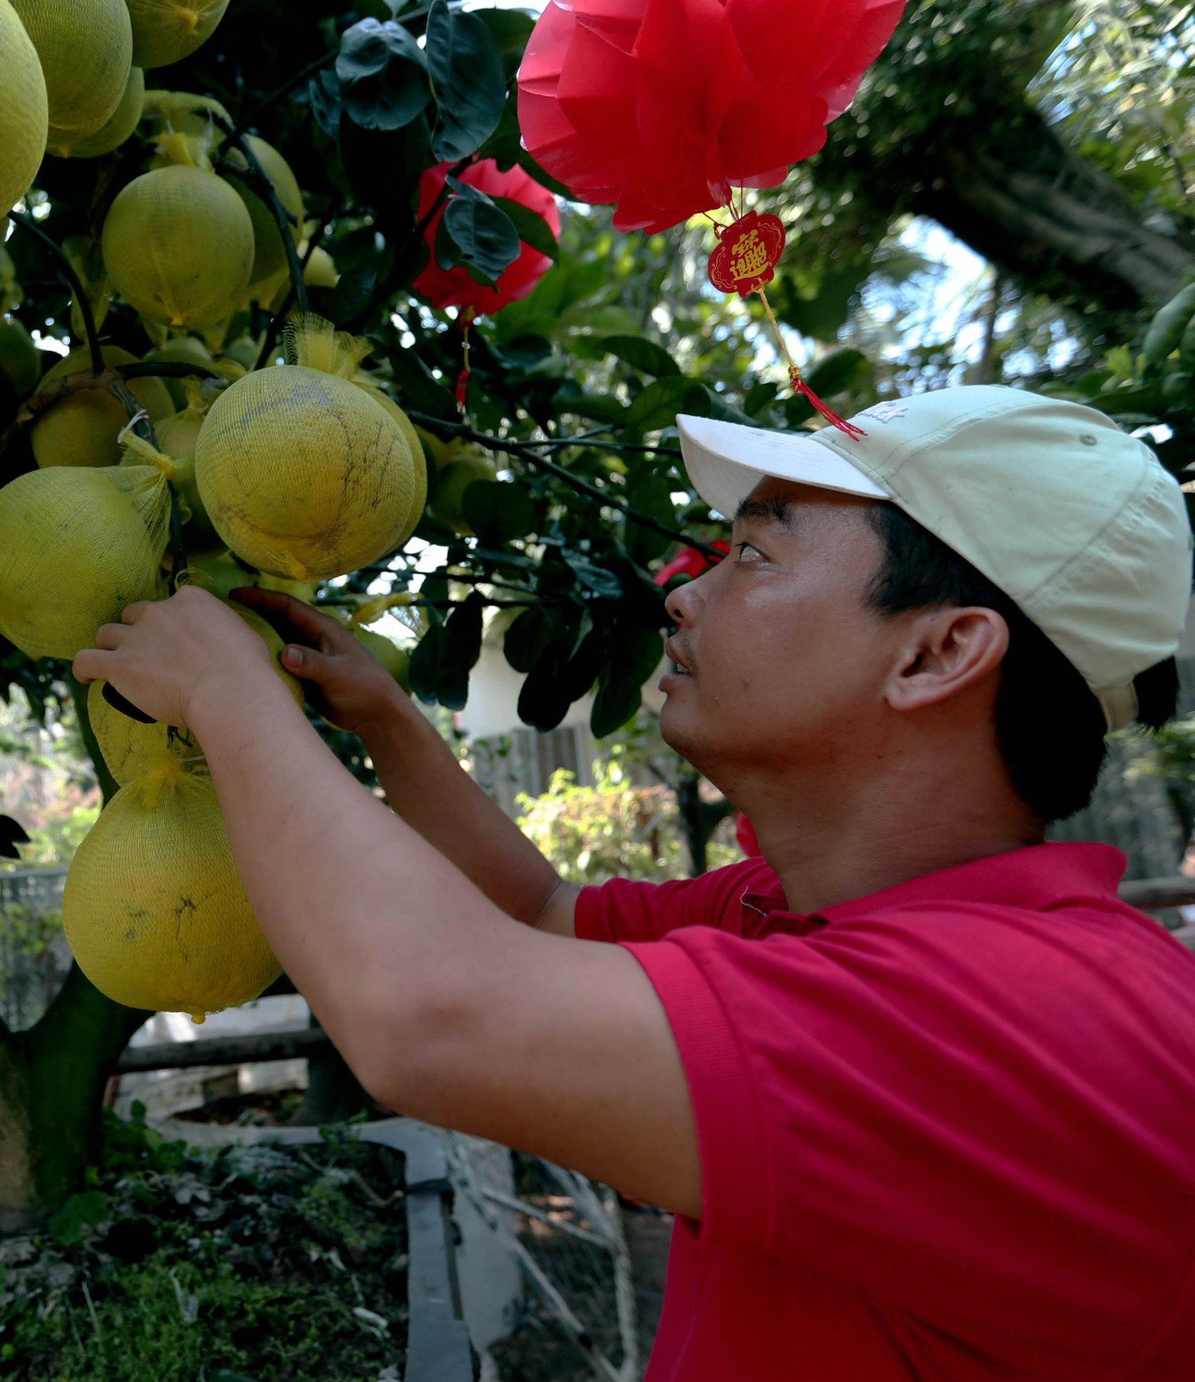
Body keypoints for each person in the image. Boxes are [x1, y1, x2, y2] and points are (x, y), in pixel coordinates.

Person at [75, 385, 1195, 1380]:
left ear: (935, 652)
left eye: (754, 554)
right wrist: (378, 714)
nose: (684, 594)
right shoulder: (798, 918)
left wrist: (229, 699)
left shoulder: (1026, 1013)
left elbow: (428, 1014)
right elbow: (537, 915)